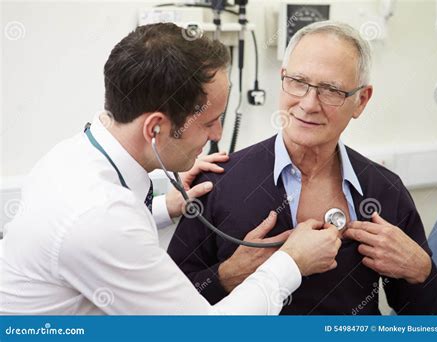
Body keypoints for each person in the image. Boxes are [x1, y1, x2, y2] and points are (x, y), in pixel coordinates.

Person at [0, 23, 343, 315]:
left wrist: (167, 206)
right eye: (210, 122)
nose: (218, 135)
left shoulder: (72, 155)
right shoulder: (99, 217)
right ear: (155, 129)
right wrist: (291, 262)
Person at [168, 21, 437, 315]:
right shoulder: (217, 183)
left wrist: (422, 271)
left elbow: (427, 317)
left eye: (331, 90)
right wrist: (226, 276)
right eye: (298, 82)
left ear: (361, 101)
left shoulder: (384, 190)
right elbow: (169, 308)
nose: (309, 103)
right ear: (282, 79)